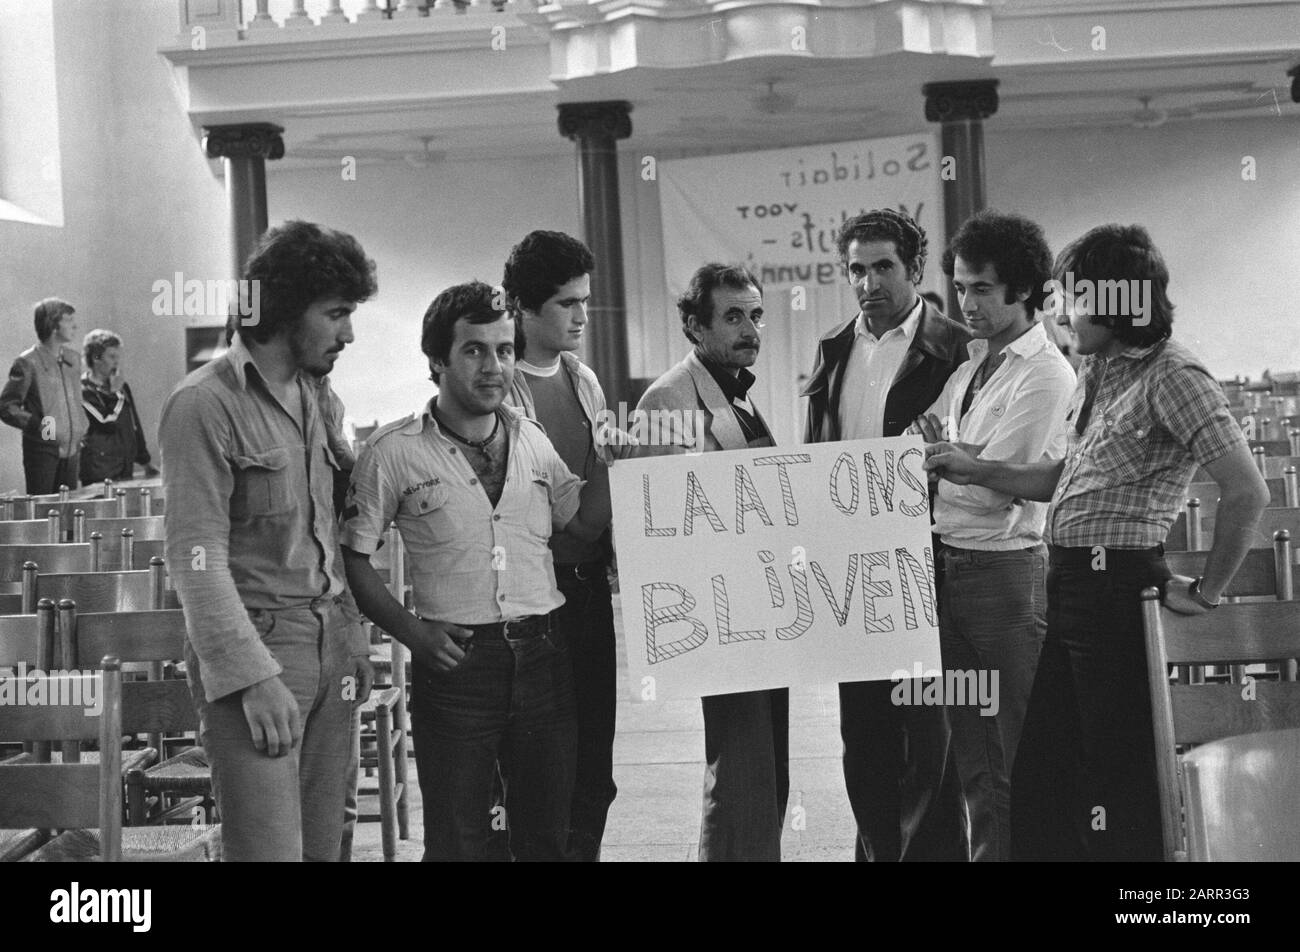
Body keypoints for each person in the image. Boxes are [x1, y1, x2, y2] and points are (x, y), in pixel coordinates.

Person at [924, 223, 1270, 861]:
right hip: (1071, 584)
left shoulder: (1175, 373)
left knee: (1118, 772)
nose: (1059, 310)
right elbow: (1066, 477)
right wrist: (974, 465)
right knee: (1049, 773)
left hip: (1119, 588)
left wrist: (1212, 591)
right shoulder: (1103, 368)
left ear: (1119, 302)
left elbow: (1246, 491)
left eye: (1073, 297)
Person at [341, 281, 607, 862]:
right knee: (460, 843)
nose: (495, 366)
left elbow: (582, 525)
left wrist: (618, 461)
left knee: (545, 839)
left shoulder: (531, 441)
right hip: (458, 665)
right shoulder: (394, 453)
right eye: (475, 351)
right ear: (437, 360)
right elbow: (353, 558)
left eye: (505, 350)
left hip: (545, 658)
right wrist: (411, 632)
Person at [159, 220, 377, 862]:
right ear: (284, 309)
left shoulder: (317, 394)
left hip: (331, 641)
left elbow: (332, 531)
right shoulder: (203, 404)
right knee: (268, 854)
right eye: (336, 314)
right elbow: (194, 559)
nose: (349, 333)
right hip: (259, 649)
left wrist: (353, 636)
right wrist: (251, 678)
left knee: (323, 851)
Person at [802, 208, 970, 862]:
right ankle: (876, 853)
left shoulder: (958, 349)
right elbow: (818, 456)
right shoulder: (832, 349)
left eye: (882, 267)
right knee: (863, 736)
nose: (868, 281)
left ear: (916, 270)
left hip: (928, 561)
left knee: (932, 742)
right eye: (856, 269)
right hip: (851, 567)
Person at [909, 210, 1076, 861]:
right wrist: (955, 458)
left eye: (982, 288)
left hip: (1006, 579)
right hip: (949, 568)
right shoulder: (972, 368)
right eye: (959, 286)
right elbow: (925, 447)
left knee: (1019, 753)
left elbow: (997, 485)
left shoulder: (1047, 372)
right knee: (973, 758)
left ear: (1024, 290)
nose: (966, 303)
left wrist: (958, 459)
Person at [637, 263, 789, 862]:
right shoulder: (670, 397)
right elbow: (660, 526)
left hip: (760, 609)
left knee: (762, 773)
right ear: (695, 327)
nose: (749, 327)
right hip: (720, 615)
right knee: (739, 774)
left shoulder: (737, 393)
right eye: (732, 316)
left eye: (754, 315)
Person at [502, 230, 618, 861]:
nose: (580, 316)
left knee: (594, 772)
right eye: (566, 303)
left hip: (587, 588)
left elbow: (590, 522)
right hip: (529, 600)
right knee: (539, 772)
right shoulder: (501, 389)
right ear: (521, 305)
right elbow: (563, 519)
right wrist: (606, 480)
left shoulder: (583, 380)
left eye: (585, 301)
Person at [1, 298, 88, 494]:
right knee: (44, 510)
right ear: (53, 324)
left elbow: (75, 401)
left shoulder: (73, 359)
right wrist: (40, 426)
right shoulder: (27, 362)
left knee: (69, 513)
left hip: (73, 450)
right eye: (69, 320)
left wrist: (82, 427)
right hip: (43, 451)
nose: (75, 325)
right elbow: (7, 407)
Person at [79, 329, 158, 484]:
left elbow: (134, 424)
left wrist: (145, 462)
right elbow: (106, 422)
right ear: (96, 358)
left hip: (124, 467)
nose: (116, 362)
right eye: (111, 356)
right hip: (99, 469)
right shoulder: (83, 389)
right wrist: (115, 393)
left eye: (118, 357)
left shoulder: (121, 387)